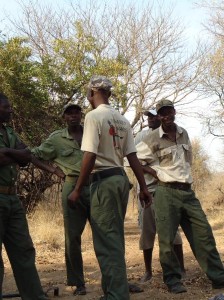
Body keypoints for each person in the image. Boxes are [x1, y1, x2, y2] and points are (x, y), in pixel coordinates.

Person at [136, 99, 224, 294]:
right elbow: (133, 159)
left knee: (204, 234)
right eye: (162, 113)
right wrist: (153, 172)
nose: (166, 116)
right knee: (167, 239)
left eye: (169, 112)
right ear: (158, 116)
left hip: (187, 191)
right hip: (166, 191)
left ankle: (218, 277)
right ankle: (172, 280)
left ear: (174, 112)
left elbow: (188, 161)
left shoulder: (184, 133)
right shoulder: (151, 138)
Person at [67, 75, 152, 300]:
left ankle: (116, 295)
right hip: (120, 180)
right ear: (110, 94)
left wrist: (77, 188)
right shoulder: (122, 119)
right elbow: (132, 156)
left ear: (91, 93)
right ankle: (114, 289)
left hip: (103, 181)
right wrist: (143, 187)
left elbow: (89, 154)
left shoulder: (94, 116)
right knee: (114, 237)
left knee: (106, 240)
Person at [31, 103, 89, 296]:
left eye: (76, 112)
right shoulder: (56, 139)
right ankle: (78, 282)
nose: (73, 116)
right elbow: (34, 155)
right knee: (72, 237)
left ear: (81, 114)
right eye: (69, 113)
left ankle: (113, 279)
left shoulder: (92, 132)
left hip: (96, 185)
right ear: (64, 117)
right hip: (71, 186)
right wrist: (55, 171)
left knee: (105, 235)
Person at [0, 93, 47, 299]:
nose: (11, 110)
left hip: (13, 199)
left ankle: (34, 296)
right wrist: (13, 154)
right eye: (6, 107)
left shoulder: (9, 131)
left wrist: (8, 152)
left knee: (24, 250)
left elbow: (26, 155)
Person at [135, 108, 185, 283]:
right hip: (148, 189)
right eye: (148, 116)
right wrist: (153, 174)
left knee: (173, 231)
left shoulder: (173, 135)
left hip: (169, 189)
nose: (150, 119)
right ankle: (148, 271)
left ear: (162, 117)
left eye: (153, 115)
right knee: (147, 231)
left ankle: (181, 268)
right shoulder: (141, 137)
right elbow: (134, 162)